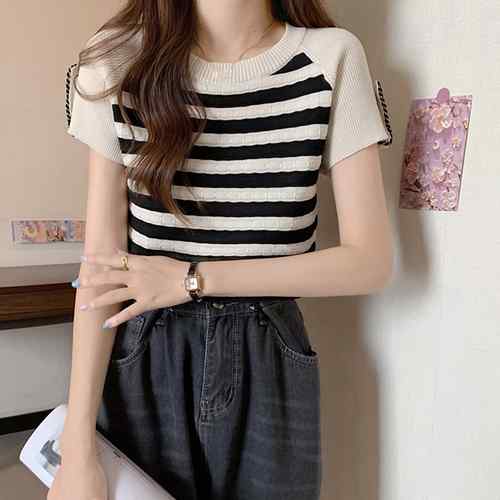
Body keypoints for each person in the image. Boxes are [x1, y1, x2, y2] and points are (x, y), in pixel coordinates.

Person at [49, 1, 394, 499]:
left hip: (268, 352)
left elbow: (370, 262)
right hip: (145, 354)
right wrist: (76, 445)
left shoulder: (331, 58)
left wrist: (190, 279)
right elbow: (100, 266)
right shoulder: (115, 62)